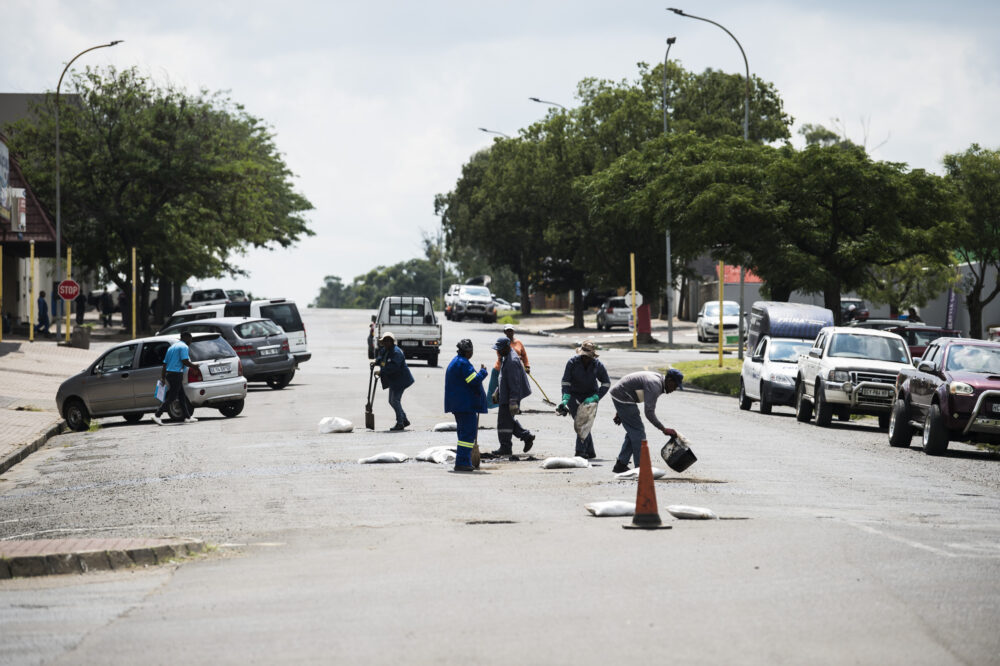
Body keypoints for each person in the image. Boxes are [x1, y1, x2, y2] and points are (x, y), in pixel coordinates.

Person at [609, 368, 684, 473]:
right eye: (675, 385)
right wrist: (663, 429)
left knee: (633, 432)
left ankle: (621, 465)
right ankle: (641, 468)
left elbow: (633, 388)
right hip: (623, 396)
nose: (674, 389)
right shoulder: (654, 385)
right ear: (669, 380)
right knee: (638, 433)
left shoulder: (658, 382)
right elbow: (649, 412)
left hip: (623, 395)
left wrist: (621, 412)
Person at [557, 340, 611, 459]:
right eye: (584, 356)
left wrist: (597, 396)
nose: (586, 359)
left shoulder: (598, 365)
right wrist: (565, 398)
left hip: (590, 397)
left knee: (584, 422)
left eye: (588, 357)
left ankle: (582, 452)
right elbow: (566, 381)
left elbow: (606, 383)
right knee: (581, 422)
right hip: (573, 396)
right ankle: (587, 451)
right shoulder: (572, 363)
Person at [444, 338, 488, 472]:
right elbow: (473, 381)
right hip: (465, 405)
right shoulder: (463, 364)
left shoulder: (457, 361)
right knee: (468, 434)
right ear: (468, 351)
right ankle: (462, 462)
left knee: (463, 433)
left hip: (460, 404)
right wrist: (483, 372)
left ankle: (465, 460)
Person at [491, 336, 535, 458]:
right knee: (507, 421)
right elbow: (504, 379)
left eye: (500, 349)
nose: (498, 351)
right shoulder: (506, 357)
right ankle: (526, 436)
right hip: (506, 395)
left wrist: (513, 401)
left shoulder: (512, 361)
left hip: (511, 397)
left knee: (504, 422)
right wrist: (497, 391)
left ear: (507, 347)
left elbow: (514, 383)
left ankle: (505, 447)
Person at [152, 331, 197, 425]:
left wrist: (163, 377)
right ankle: (157, 415)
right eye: (190, 339)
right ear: (186, 338)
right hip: (176, 374)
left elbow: (165, 364)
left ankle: (187, 417)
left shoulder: (171, 348)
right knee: (172, 396)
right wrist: (194, 366)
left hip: (170, 374)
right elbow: (184, 361)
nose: (191, 342)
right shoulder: (184, 347)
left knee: (181, 395)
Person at [374, 331, 414, 431]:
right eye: (385, 341)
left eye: (388, 341)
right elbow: (381, 357)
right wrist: (375, 362)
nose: (386, 343)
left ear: (392, 342)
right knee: (392, 401)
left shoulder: (397, 352)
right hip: (394, 380)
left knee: (395, 401)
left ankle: (400, 423)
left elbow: (393, 367)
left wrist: (381, 371)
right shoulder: (386, 350)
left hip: (401, 380)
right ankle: (404, 419)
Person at [487, 324, 530, 408]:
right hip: (500, 369)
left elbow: (524, 355)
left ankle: (514, 406)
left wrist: (527, 366)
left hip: (515, 369)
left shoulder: (518, 343)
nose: (509, 332)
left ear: (513, 331)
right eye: (507, 330)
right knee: (498, 388)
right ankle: (497, 405)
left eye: (511, 330)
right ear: (504, 332)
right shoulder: (502, 343)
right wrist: (516, 358)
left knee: (515, 386)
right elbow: (501, 357)